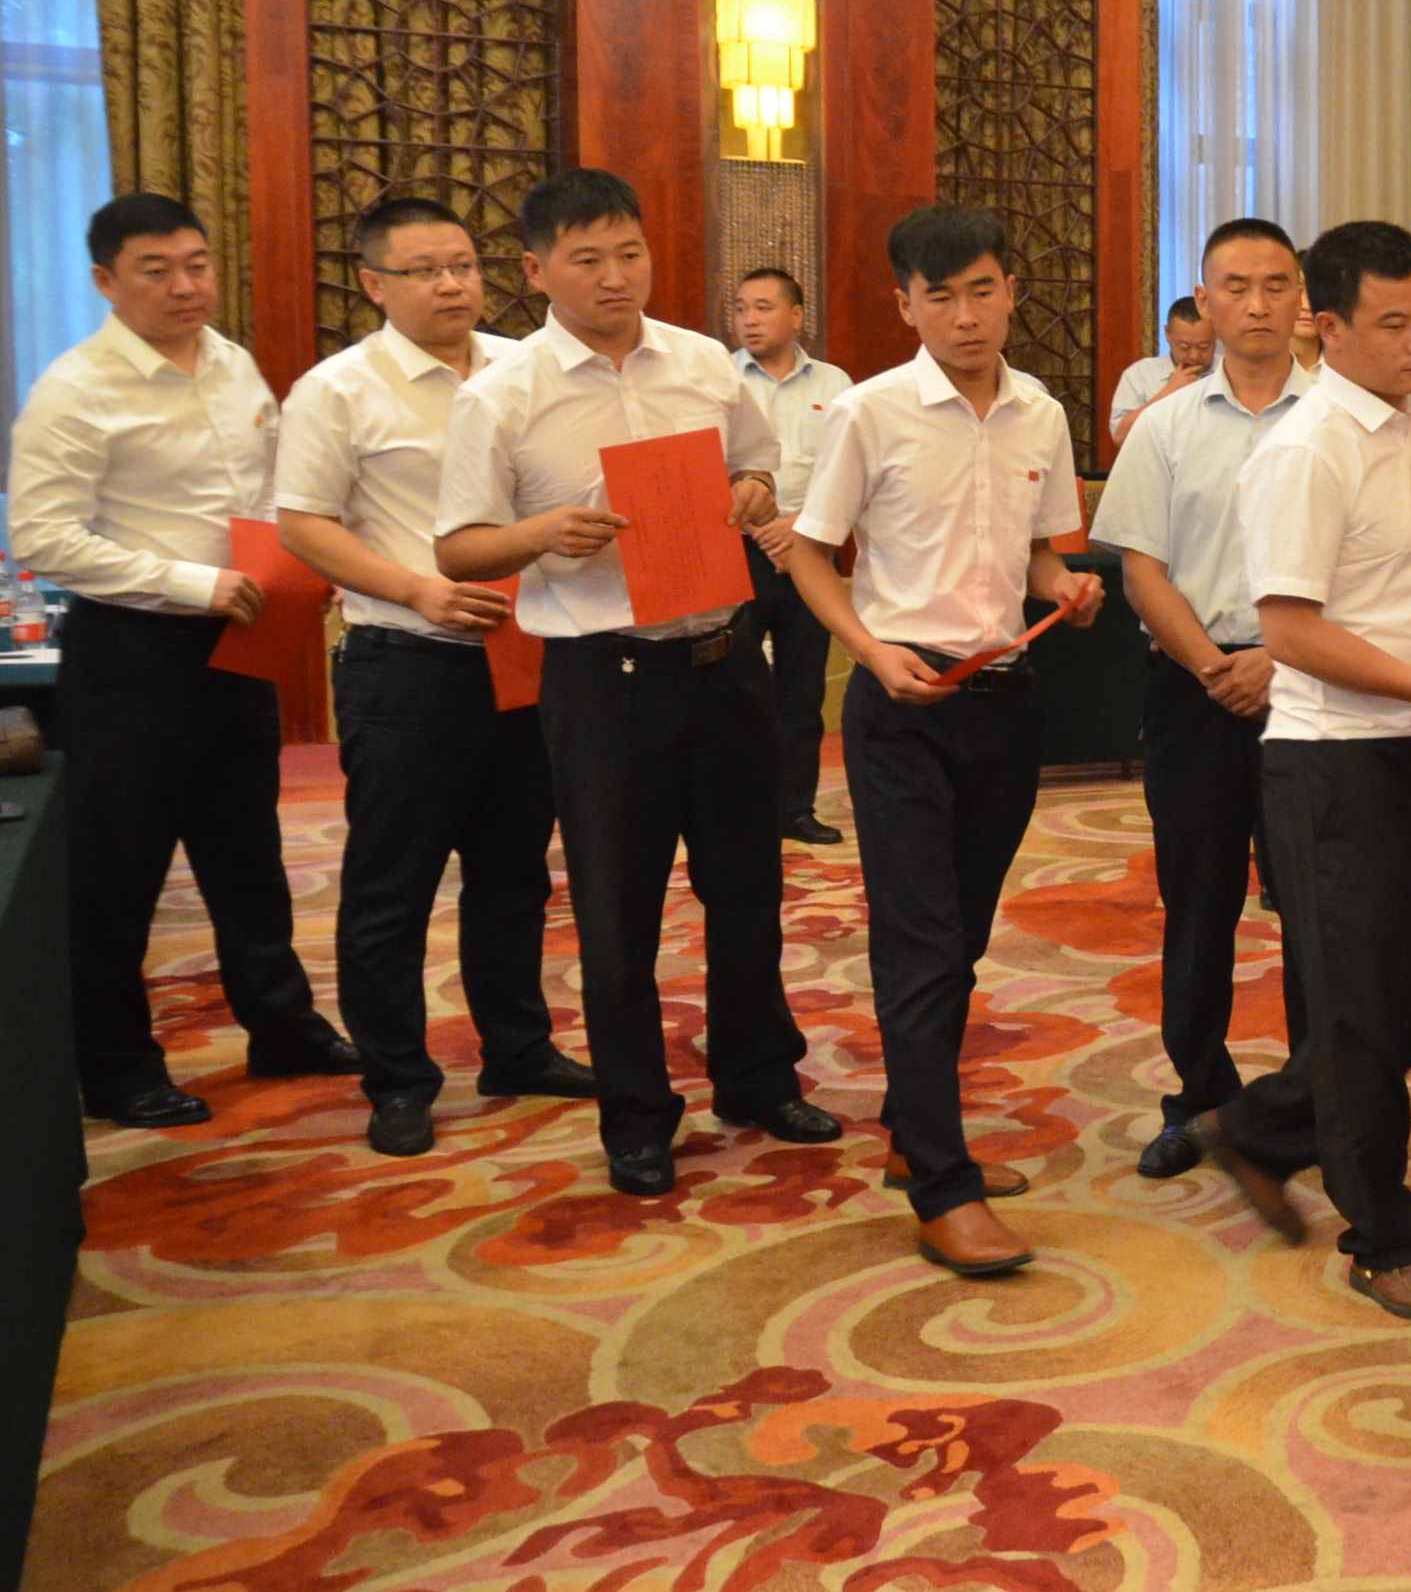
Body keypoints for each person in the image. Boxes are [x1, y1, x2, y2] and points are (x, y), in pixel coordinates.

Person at [436, 169, 838, 1196]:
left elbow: (758, 469)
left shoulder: (703, 363)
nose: (616, 277)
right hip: (604, 681)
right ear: (535, 271)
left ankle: (757, 1076)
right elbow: (458, 546)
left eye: (630, 254)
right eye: (587, 260)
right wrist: (540, 534)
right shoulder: (501, 395)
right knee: (619, 912)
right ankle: (638, 1115)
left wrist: (751, 492)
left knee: (748, 889)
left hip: (723, 661)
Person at [1198, 220, 1411, 1320]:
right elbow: (1290, 630)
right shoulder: (1305, 451)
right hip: (1334, 761)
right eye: (1393, 324)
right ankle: (1385, 1235)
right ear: (1329, 328)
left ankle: (1263, 1127)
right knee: (1358, 1005)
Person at [780, 204, 1098, 1278]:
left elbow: (1040, 557)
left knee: (958, 936)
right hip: (903, 705)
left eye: (984, 291)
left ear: (1012, 293)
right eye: (942, 296)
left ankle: (917, 1133)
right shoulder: (867, 413)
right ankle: (942, 1186)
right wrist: (869, 651)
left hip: (1005, 703)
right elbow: (809, 552)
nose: (967, 316)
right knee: (919, 940)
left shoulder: (1040, 414)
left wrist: (1067, 589)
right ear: (905, 305)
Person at [9, 194, 353, 1126]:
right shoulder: (76, 390)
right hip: (133, 652)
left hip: (240, 639)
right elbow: (42, 535)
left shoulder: (232, 364)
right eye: (156, 271)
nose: (185, 286)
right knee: (119, 872)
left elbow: (267, 494)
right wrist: (189, 582)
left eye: (196, 264)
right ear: (105, 281)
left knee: (247, 853)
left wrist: (296, 571)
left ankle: (281, 1027)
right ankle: (117, 1067)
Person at [272, 195, 593, 1156]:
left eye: (464, 265)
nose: (452, 285)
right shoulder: (339, 389)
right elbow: (303, 523)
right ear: (374, 284)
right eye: (424, 271)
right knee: (394, 884)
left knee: (514, 873)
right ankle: (399, 1080)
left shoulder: (525, 367)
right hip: (407, 662)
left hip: (528, 654)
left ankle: (518, 1048)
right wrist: (419, 589)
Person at [1093, 216, 1317, 1184]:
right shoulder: (1167, 425)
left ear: (1302, 297)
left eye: (1276, 285)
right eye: (1237, 287)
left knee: (1316, 908)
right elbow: (1139, 567)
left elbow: (1367, 565)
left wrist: (1275, 659)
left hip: (1315, 690)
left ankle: (1314, 1101)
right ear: (1204, 298)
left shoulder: (1342, 418)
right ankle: (1197, 1097)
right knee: (1197, 904)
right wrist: (1216, 667)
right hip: (1193, 691)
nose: (1257, 305)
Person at [728, 265, 854, 843]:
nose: (749, 320)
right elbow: (706, 465)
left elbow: (846, 472)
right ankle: (741, 809)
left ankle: (795, 807)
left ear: (797, 316)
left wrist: (798, 530)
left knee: (802, 690)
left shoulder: (835, 384)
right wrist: (764, 531)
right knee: (736, 688)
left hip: (812, 550)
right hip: (738, 551)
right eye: (740, 309)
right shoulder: (720, 380)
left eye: (763, 307)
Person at [1107, 296, 1214, 444]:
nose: (1194, 356)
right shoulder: (1140, 375)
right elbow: (1120, 437)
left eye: (1204, 347)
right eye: (1184, 347)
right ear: (1168, 333)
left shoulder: (1234, 373)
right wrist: (1168, 393)